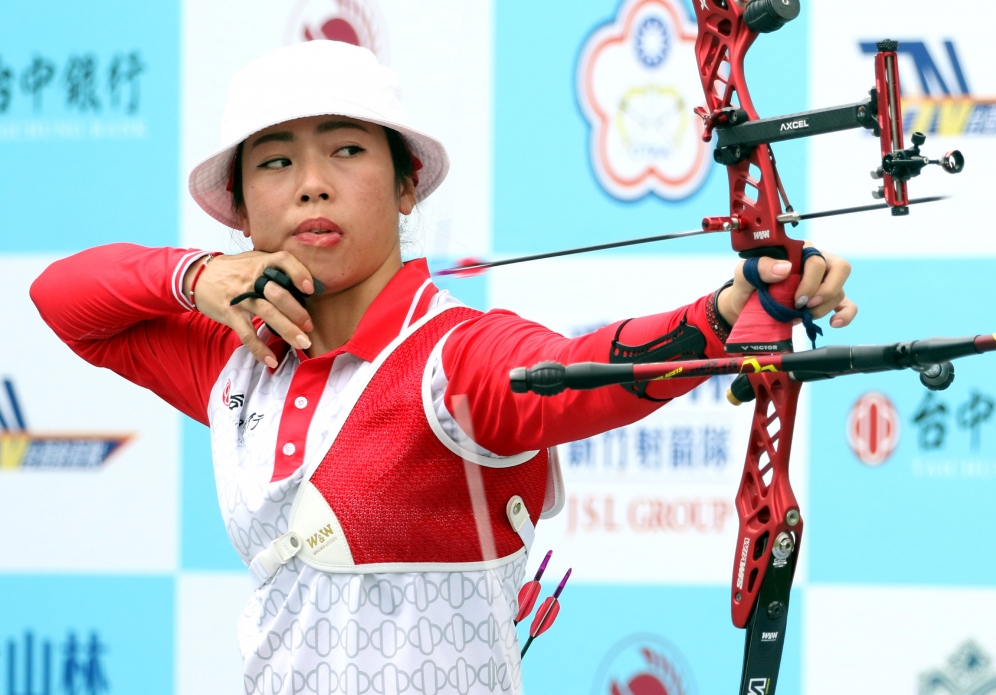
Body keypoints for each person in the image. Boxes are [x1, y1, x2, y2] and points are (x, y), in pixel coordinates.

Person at [30, 40, 856, 695]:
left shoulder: (452, 357)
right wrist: (195, 275)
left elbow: (575, 370)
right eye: (275, 162)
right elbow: (60, 298)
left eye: (346, 150)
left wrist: (725, 313)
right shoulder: (239, 357)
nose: (312, 185)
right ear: (242, 209)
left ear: (406, 185)